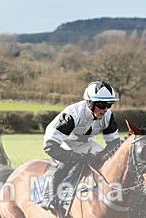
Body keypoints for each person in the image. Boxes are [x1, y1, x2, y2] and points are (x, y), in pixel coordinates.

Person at [39, 81, 121, 211]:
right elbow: (50, 146)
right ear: (89, 102)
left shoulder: (108, 115)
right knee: (65, 164)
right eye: (101, 104)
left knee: (110, 161)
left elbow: (115, 143)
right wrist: (77, 157)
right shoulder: (72, 114)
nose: (105, 109)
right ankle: (48, 196)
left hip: (83, 143)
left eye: (109, 105)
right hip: (61, 141)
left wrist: (102, 156)